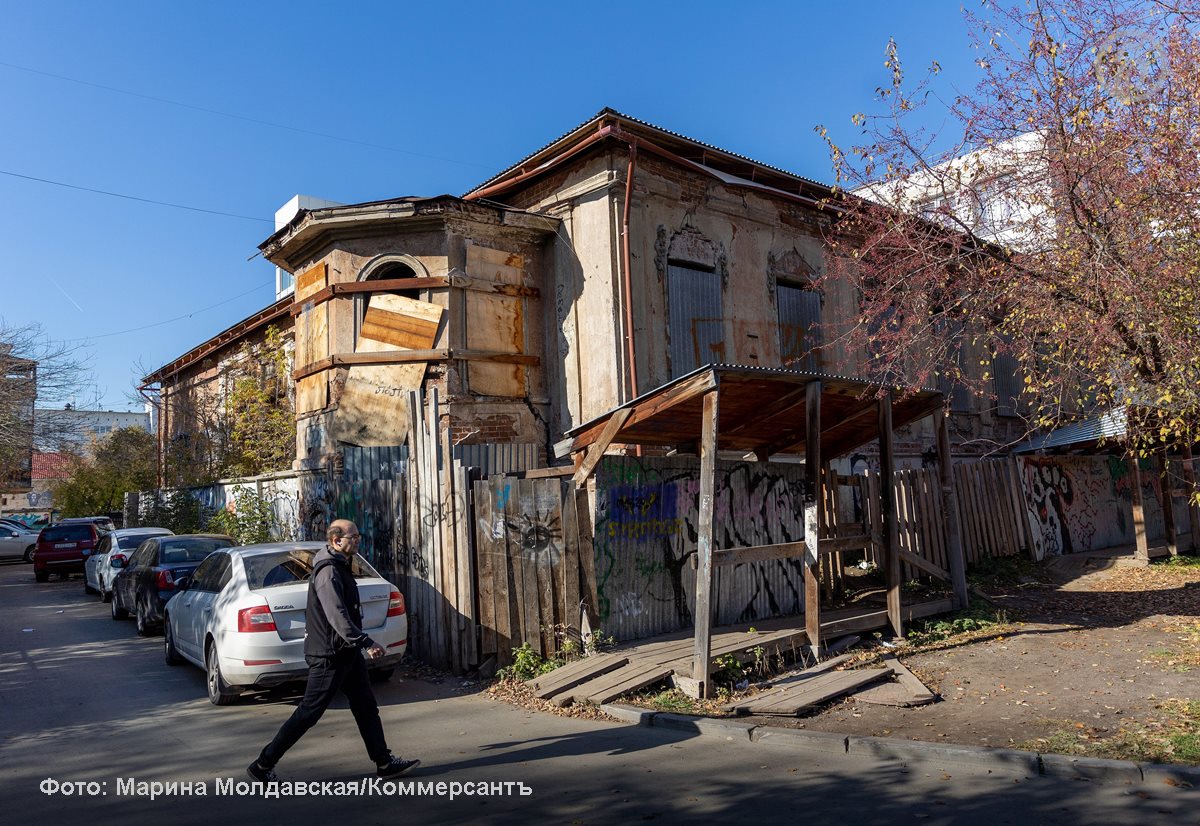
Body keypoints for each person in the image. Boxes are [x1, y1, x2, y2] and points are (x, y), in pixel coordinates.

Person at [247, 519, 419, 782]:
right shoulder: (328, 571)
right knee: (309, 712)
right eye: (354, 536)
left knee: (365, 706)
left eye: (358, 536)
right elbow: (336, 615)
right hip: (329, 655)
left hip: (345, 652)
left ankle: (383, 762)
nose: (358, 540)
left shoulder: (340, 565)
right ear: (337, 541)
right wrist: (365, 642)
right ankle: (262, 764)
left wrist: (356, 644)